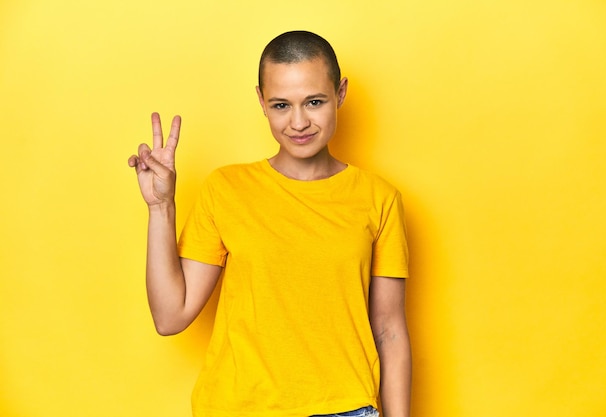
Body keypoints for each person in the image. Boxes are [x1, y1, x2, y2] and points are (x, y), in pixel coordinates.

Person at [128, 30, 411, 417]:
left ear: (340, 93)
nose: (298, 122)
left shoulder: (379, 199)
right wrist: (160, 207)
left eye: (314, 102)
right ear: (261, 100)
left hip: (344, 408)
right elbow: (170, 316)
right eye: (281, 105)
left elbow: (390, 331)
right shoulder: (226, 189)